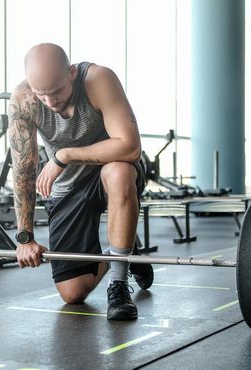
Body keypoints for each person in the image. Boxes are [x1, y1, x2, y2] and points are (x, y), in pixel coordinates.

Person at [8, 43, 153, 320]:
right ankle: (124, 246)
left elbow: (130, 147)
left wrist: (65, 155)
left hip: (110, 171)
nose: (50, 102)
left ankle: (119, 285)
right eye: (42, 95)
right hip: (68, 186)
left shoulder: (98, 80)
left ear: (71, 73)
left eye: (57, 91)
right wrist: (25, 238)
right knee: (73, 293)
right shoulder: (23, 99)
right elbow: (23, 168)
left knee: (119, 172)